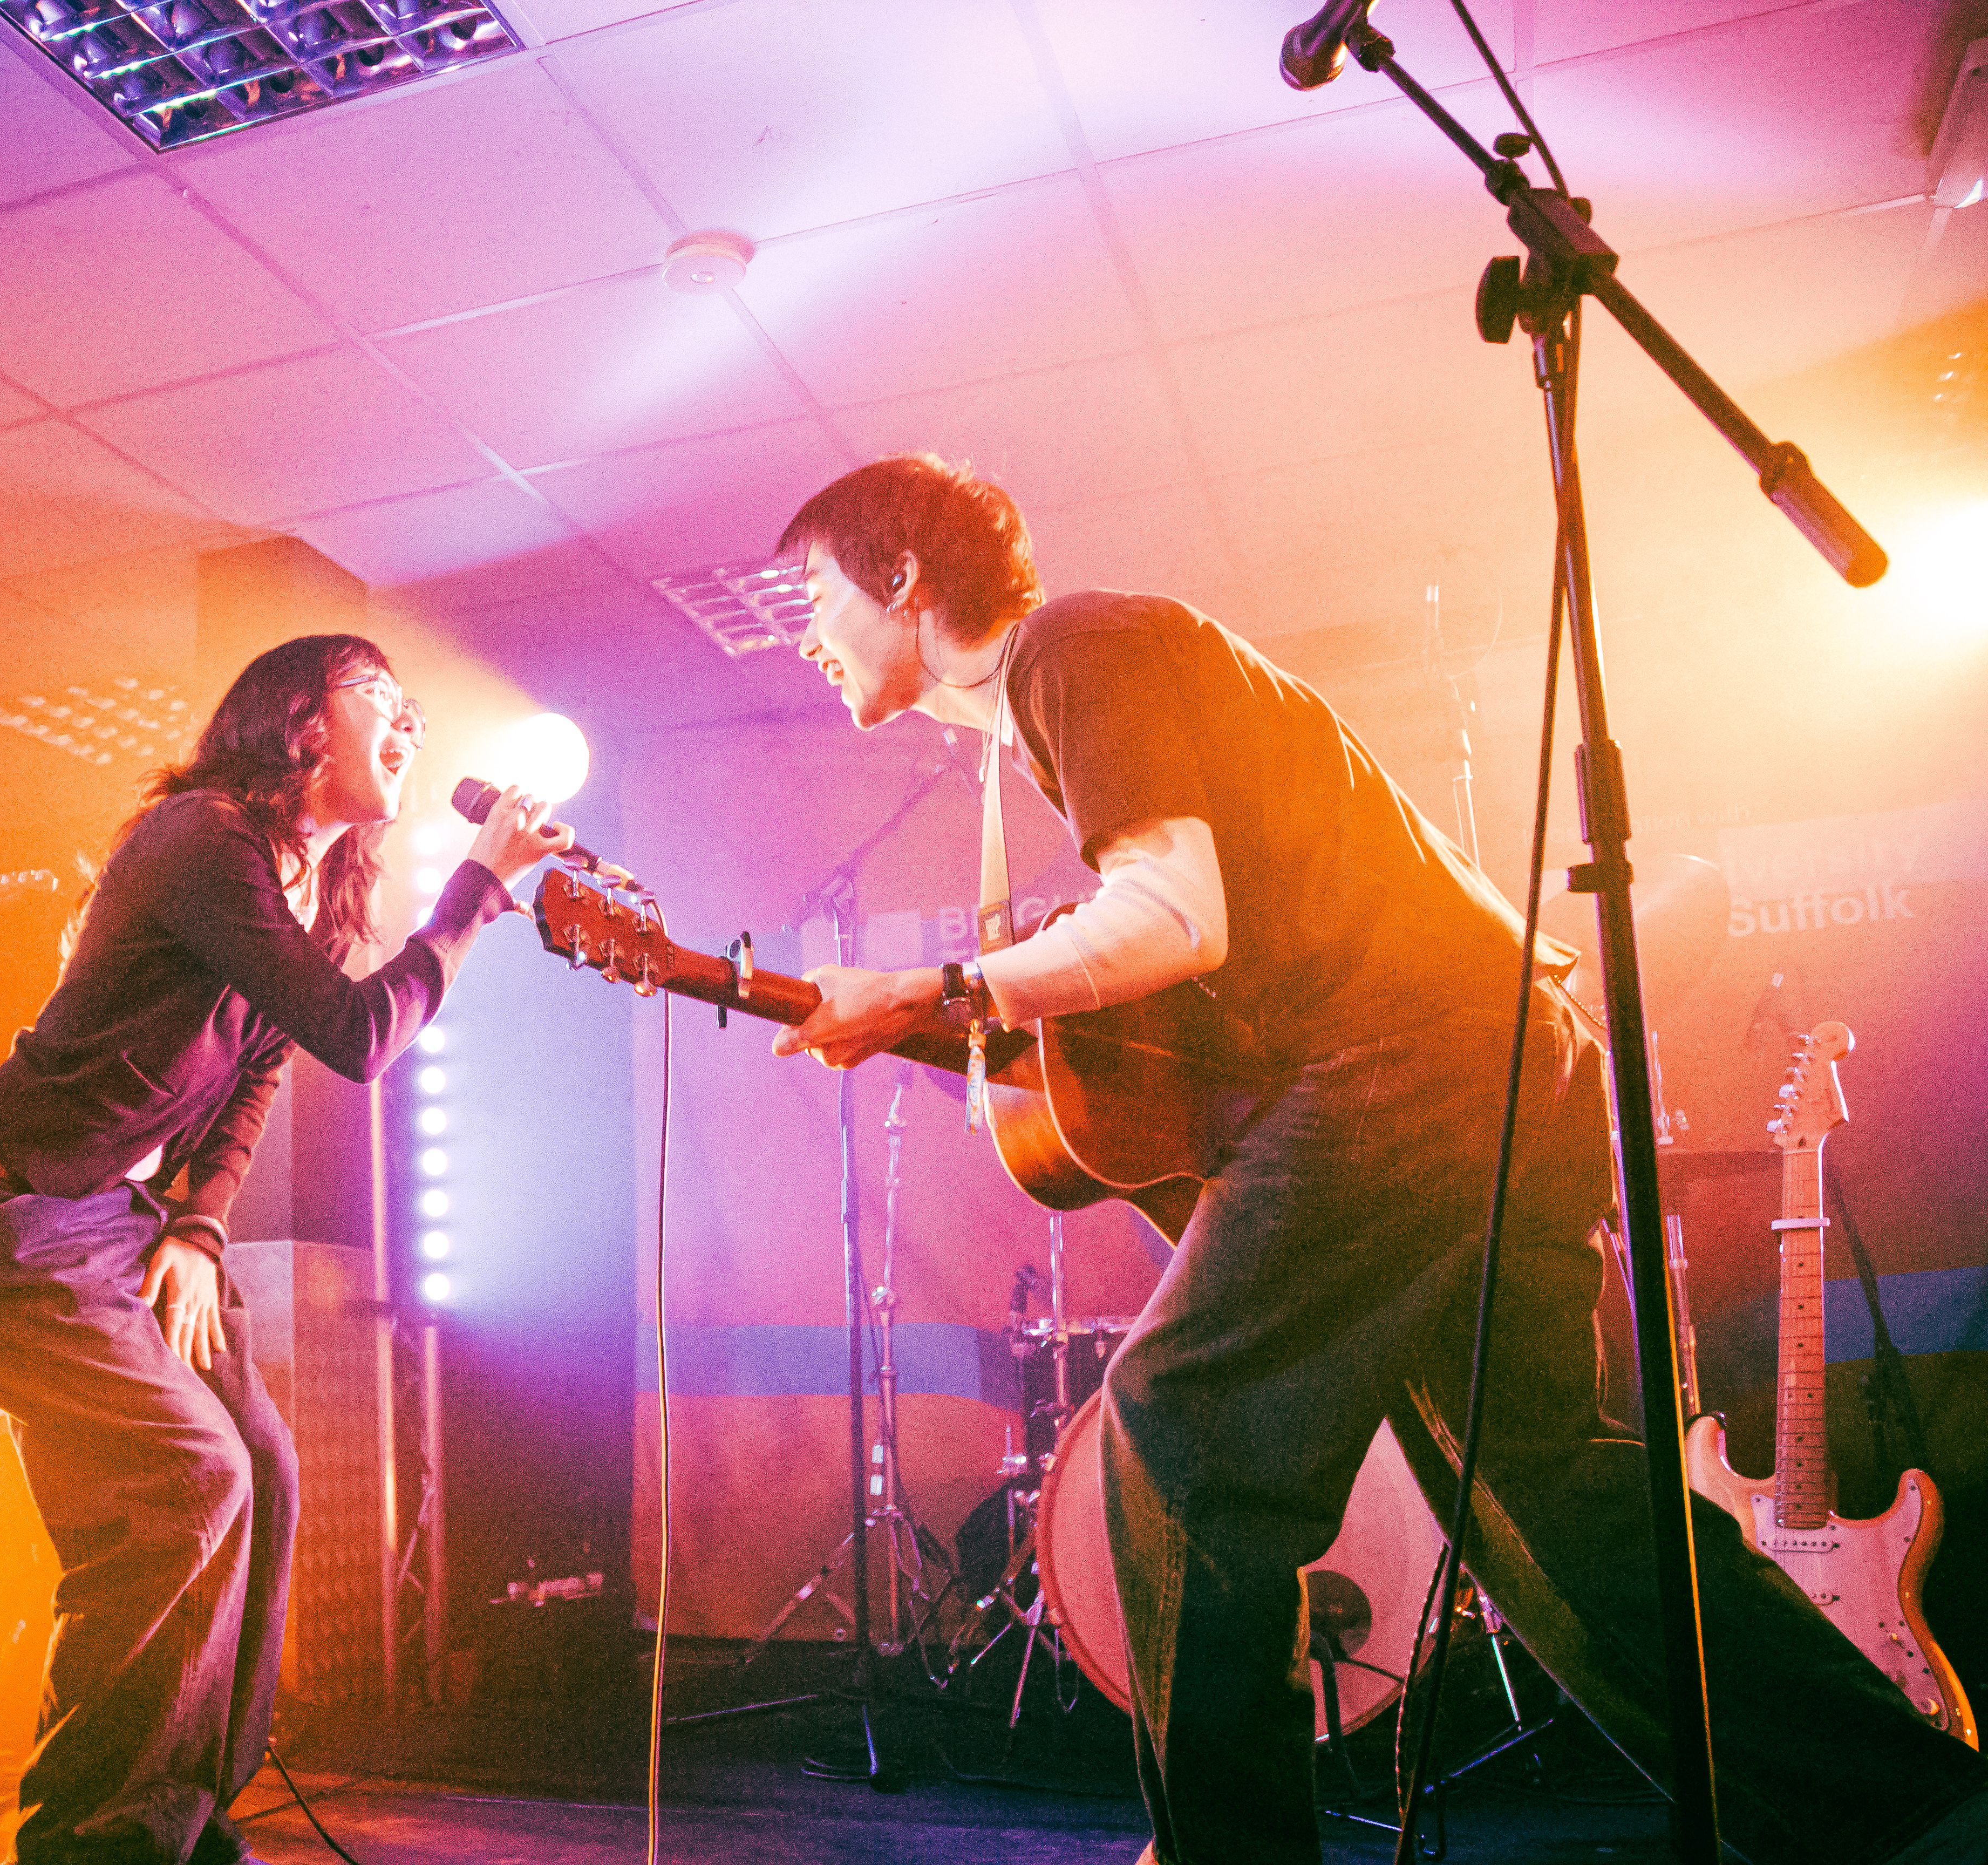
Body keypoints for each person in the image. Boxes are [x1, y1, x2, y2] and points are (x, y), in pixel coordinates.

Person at [764, 455, 1988, 1863]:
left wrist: (934, 988)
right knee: (1551, 1500)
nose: (806, 629)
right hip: (1498, 1052)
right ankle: (1922, 1815)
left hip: (1422, 1057)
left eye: (816, 590)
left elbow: (1173, 916)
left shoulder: (1074, 651)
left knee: (1181, 1427)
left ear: (905, 581)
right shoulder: (1064, 695)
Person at [0, 634, 567, 1865]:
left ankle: (180, 1817)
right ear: (302, 721)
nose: (410, 726)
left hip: (99, 1223)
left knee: (264, 1471)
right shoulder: (204, 841)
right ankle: (97, 1839)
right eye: (381, 701)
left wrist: (198, 1225)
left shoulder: (312, 887)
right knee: (192, 1481)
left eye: (414, 711)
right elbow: (359, 1035)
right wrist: (475, 895)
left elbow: (259, 1077)